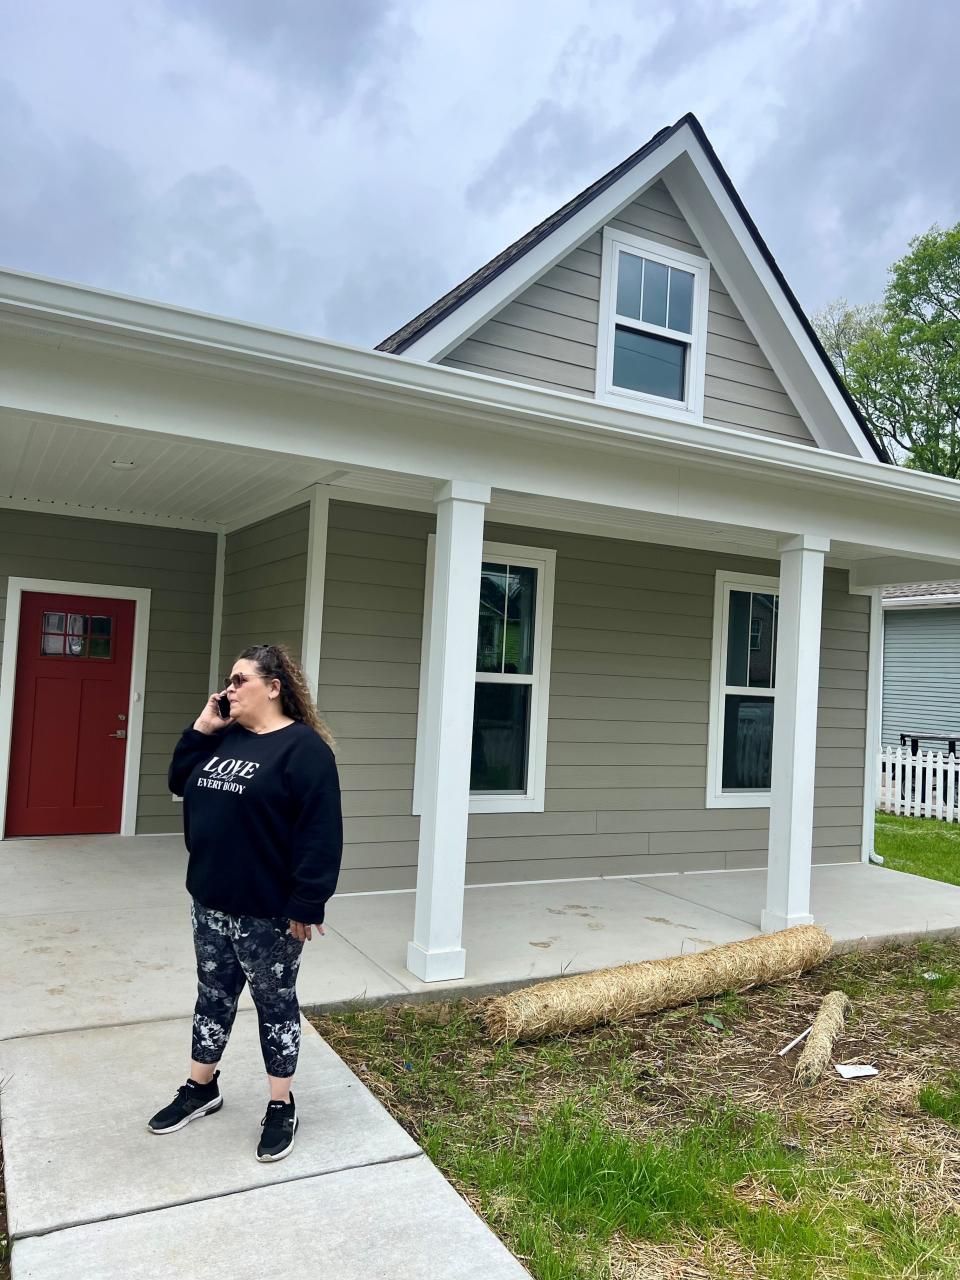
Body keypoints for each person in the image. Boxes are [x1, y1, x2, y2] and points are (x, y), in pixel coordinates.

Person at [148, 642, 342, 1163]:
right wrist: (201, 729)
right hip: (209, 898)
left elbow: (321, 833)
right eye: (228, 681)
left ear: (273, 688)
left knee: (275, 1004)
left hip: (269, 910)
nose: (227, 689)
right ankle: (200, 1087)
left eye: (239, 681)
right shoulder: (222, 737)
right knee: (212, 995)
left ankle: (281, 1103)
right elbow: (177, 782)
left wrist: (308, 901)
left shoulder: (304, 750)